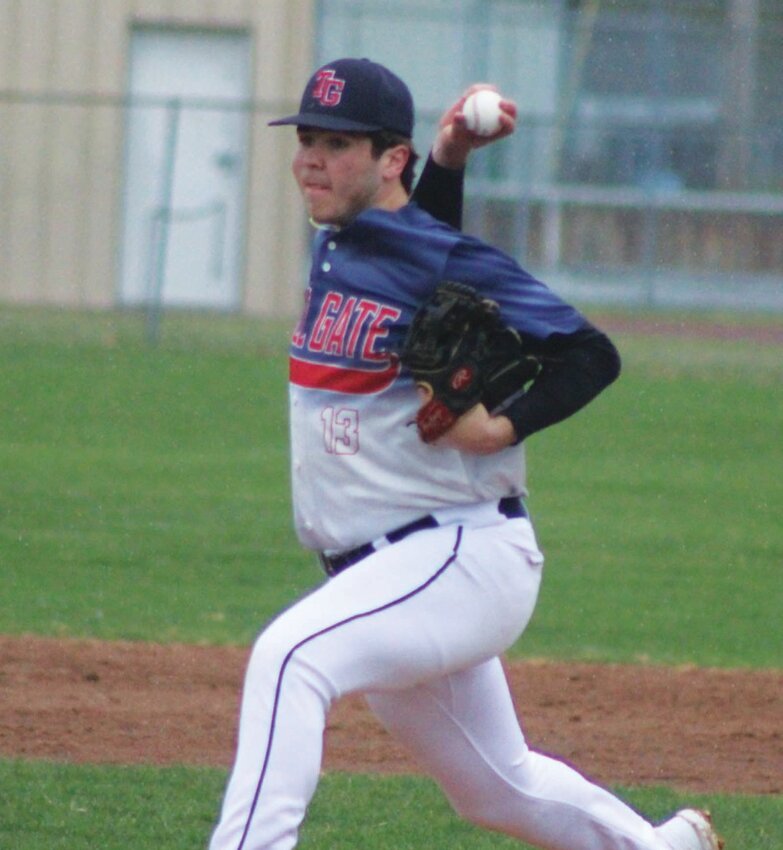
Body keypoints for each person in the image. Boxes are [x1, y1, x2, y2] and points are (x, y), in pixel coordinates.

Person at [208, 58, 721, 850]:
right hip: (389, 568)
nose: (311, 157)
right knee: (497, 785)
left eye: (337, 143)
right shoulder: (339, 240)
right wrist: (446, 161)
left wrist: (500, 427)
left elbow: (590, 354)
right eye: (306, 137)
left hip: (457, 550)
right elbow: (418, 241)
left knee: (289, 659)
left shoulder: (424, 252)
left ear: (389, 159)